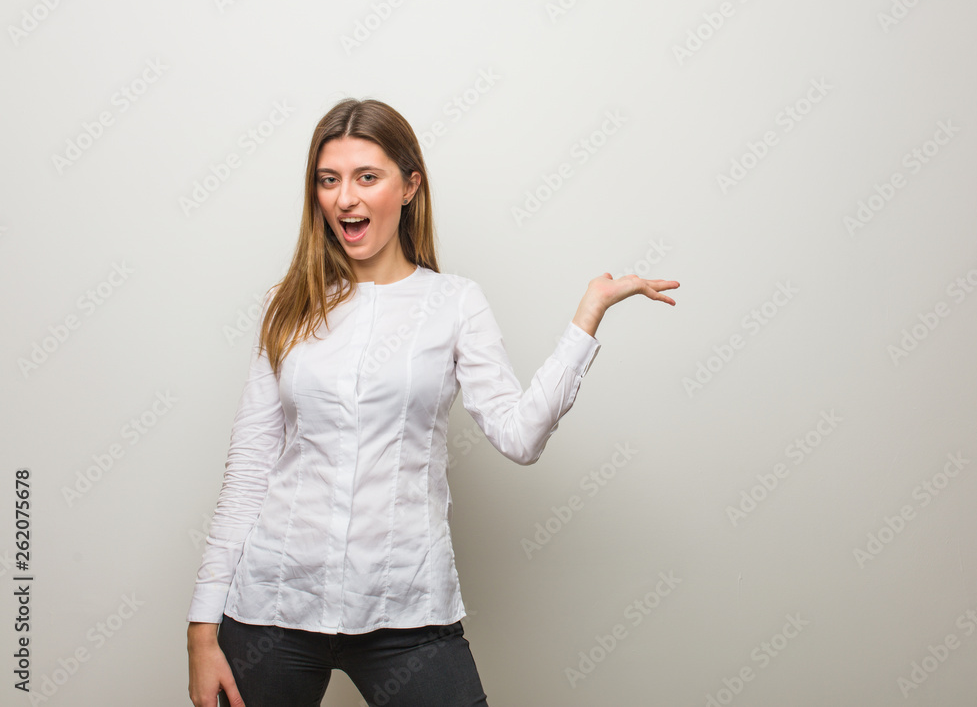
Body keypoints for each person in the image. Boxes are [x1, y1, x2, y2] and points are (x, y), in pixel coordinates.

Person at [186, 97, 679, 707]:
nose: (346, 198)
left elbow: (520, 436)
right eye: (329, 179)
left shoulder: (454, 303)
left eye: (368, 177)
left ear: (410, 185)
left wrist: (588, 316)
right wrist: (202, 632)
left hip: (406, 613)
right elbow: (249, 469)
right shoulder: (288, 305)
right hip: (273, 608)